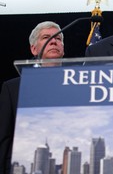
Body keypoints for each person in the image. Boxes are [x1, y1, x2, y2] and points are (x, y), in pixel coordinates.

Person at [0, 21, 65, 174]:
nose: (54, 41)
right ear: (34, 49)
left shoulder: (78, 85)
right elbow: (4, 138)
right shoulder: (13, 88)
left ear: (63, 49)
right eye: (47, 37)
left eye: (58, 39)